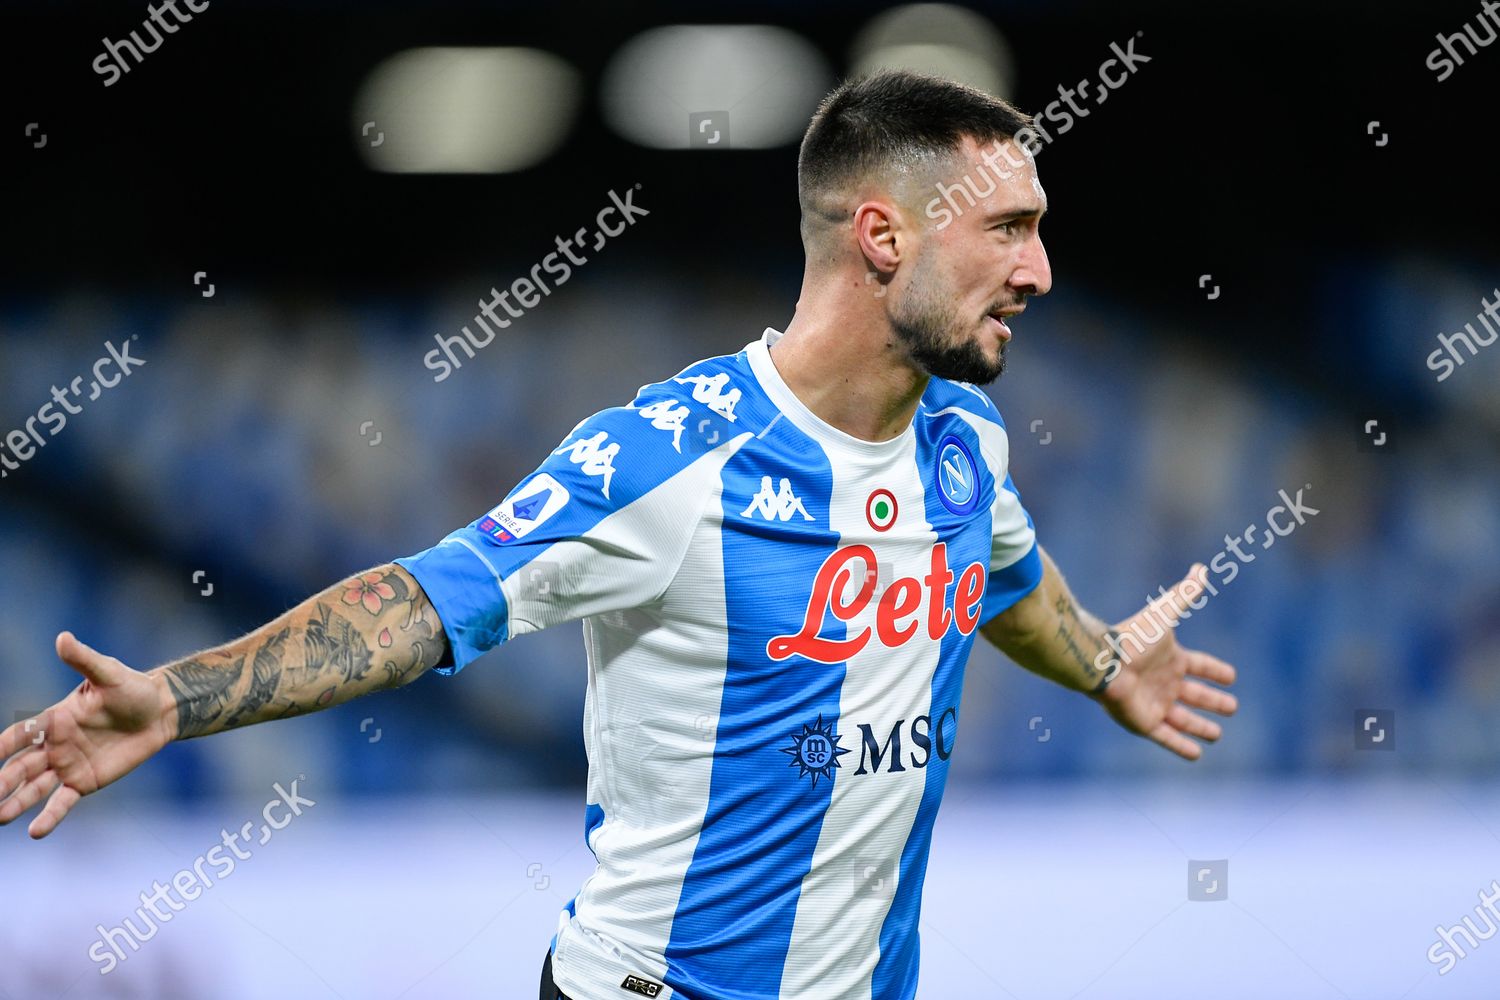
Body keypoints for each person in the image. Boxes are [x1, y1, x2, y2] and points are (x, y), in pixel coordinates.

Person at [0, 70, 1238, 1000]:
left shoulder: (966, 443)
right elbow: (430, 601)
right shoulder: (668, 458)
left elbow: (1003, 575)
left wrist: (1103, 661)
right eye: (1009, 228)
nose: (1043, 269)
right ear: (882, 235)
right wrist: (180, 697)